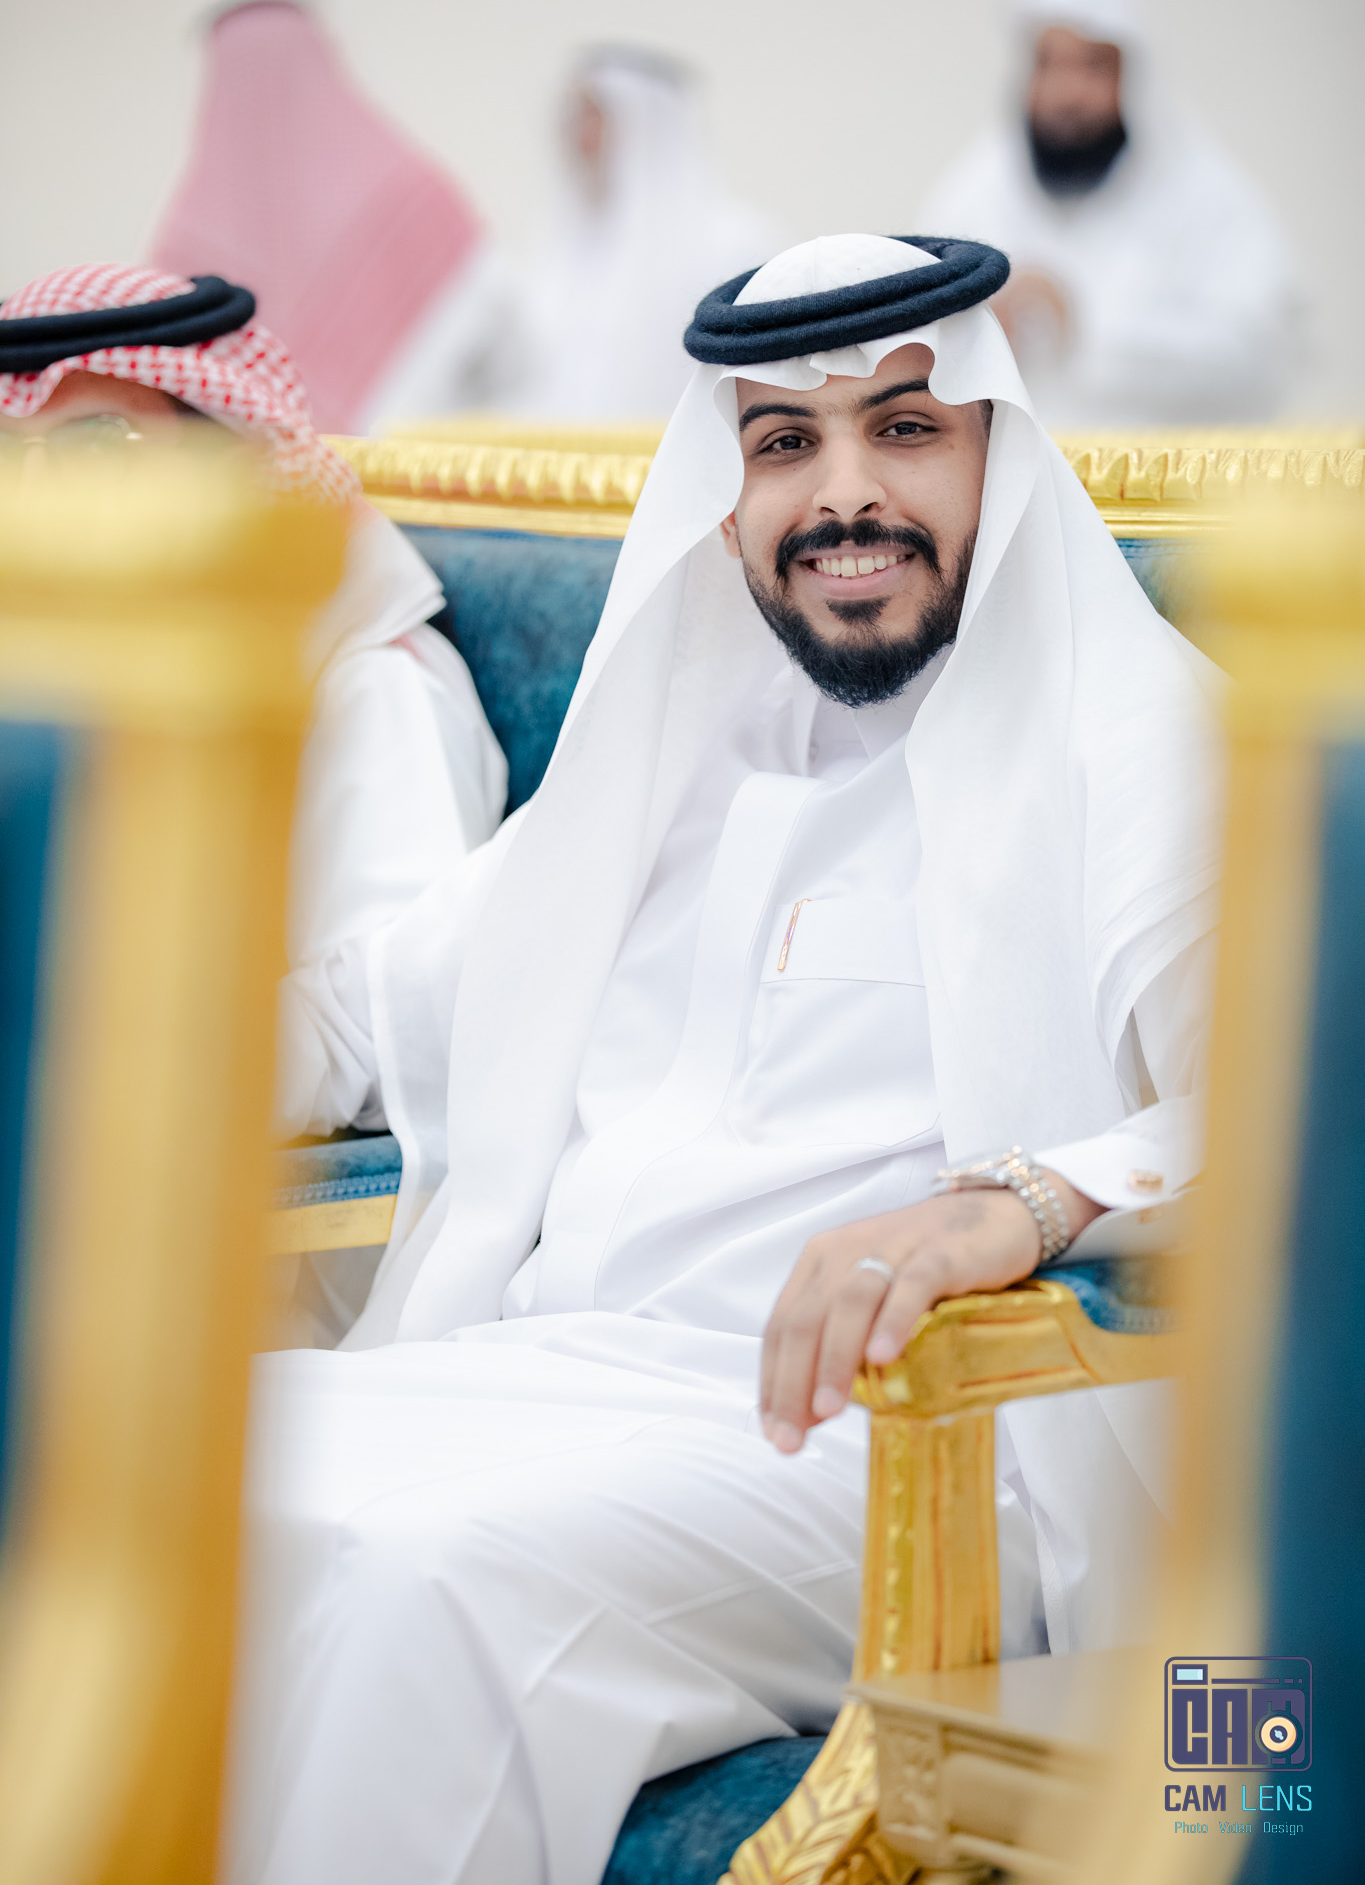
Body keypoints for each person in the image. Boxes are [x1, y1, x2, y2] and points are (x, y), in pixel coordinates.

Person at [236, 234, 1220, 1885]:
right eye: (783, 442)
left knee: (419, 1576)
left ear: (996, 453)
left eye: (904, 428)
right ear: (731, 491)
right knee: (134, 1478)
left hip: (906, 1440)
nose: (844, 493)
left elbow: (1300, 1108)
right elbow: (355, 1019)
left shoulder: (1141, 748)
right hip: (549, 1372)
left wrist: (1025, 1200)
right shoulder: (667, 750)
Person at [0, 260, 507, 1081]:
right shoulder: (72, 667)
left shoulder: (369, 683)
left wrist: (102, 1080)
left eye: (94, 446)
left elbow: (388, 1028)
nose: (37, 496)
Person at [921, 0, 1302, 426]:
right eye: (1049, 65)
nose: (1067, 94)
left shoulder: (1209, 199)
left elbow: (1258, 358)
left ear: (1135, 82)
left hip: (1173, 469)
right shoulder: (974, 191)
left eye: (1093, 67)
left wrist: (1082, 325)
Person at [150, 0, 522, 433]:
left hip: (284, 472)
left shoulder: (183, 236)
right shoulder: (414, 193)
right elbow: (511, 351)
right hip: (417, 464)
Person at [506, 45, 781, 420]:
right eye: (572, 112)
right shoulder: (567, 248)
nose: (574, 130)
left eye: (594, 112)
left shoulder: (735, 243)